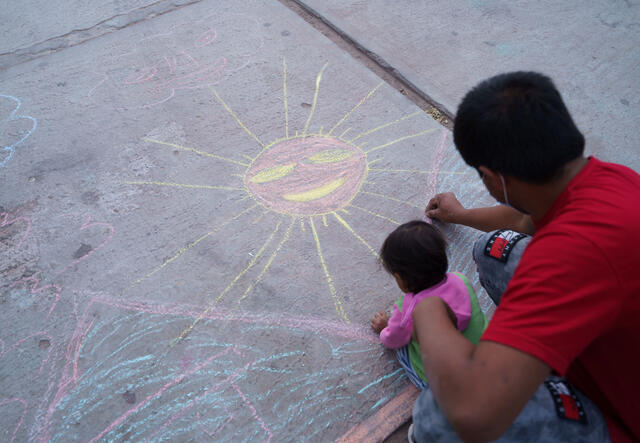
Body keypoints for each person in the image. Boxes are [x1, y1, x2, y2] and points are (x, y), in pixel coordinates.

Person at [410, 71, 640, 442]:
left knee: (442, 414)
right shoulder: (611, 180)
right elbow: (523, 217)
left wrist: (427, 307)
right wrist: (460, 214)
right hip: (617, 357)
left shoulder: (568, 257)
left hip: (622, 414)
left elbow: (473, 412)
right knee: (495, 250)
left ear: (491, 176)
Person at [370, 220, 487, 390]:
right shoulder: (460, 279)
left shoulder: (407, 308)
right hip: (487, 357)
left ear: (400, 279)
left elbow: (393, 340)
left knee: (402, 344)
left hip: (449, 383)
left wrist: (384, 328)